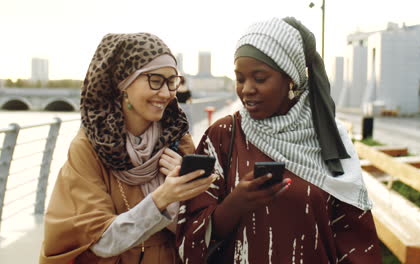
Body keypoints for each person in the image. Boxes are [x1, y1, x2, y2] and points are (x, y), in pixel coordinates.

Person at [177, 17, 382, 263]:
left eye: (260, 78)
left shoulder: (329, 139)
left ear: (291, 80)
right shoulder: (223, 135)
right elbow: (189, 231)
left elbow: (353, 236)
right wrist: (234, 205)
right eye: (240, 79)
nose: (246, 89)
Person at [39, 32, 216, 264]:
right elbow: (102, 242)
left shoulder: (177, 139)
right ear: (124, 83)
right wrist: (163, 197)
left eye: (172, 81)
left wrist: (185, 196)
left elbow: (201, 233)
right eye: (155, 80)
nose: (166, 93)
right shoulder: (89, 147)